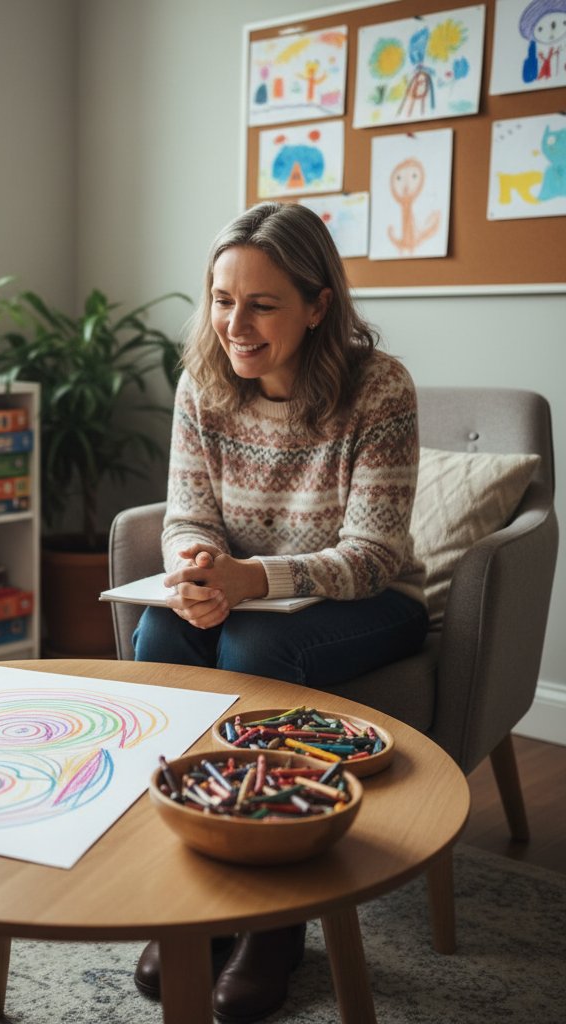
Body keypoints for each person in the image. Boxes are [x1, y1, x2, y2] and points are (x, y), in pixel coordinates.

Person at [132, 202, 428, 1023]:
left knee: (257, 644)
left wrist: (248, 580)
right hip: (247, 591)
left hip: (376, 603)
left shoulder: (379, 389)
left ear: (317, 304)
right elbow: (186, 513)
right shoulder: (204, 383)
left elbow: (374, 554)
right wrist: (192, 565)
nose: (236, 324)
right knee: (160, 629)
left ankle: (275, 923)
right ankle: (195, 898)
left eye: (262, 304)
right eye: (223, 300)